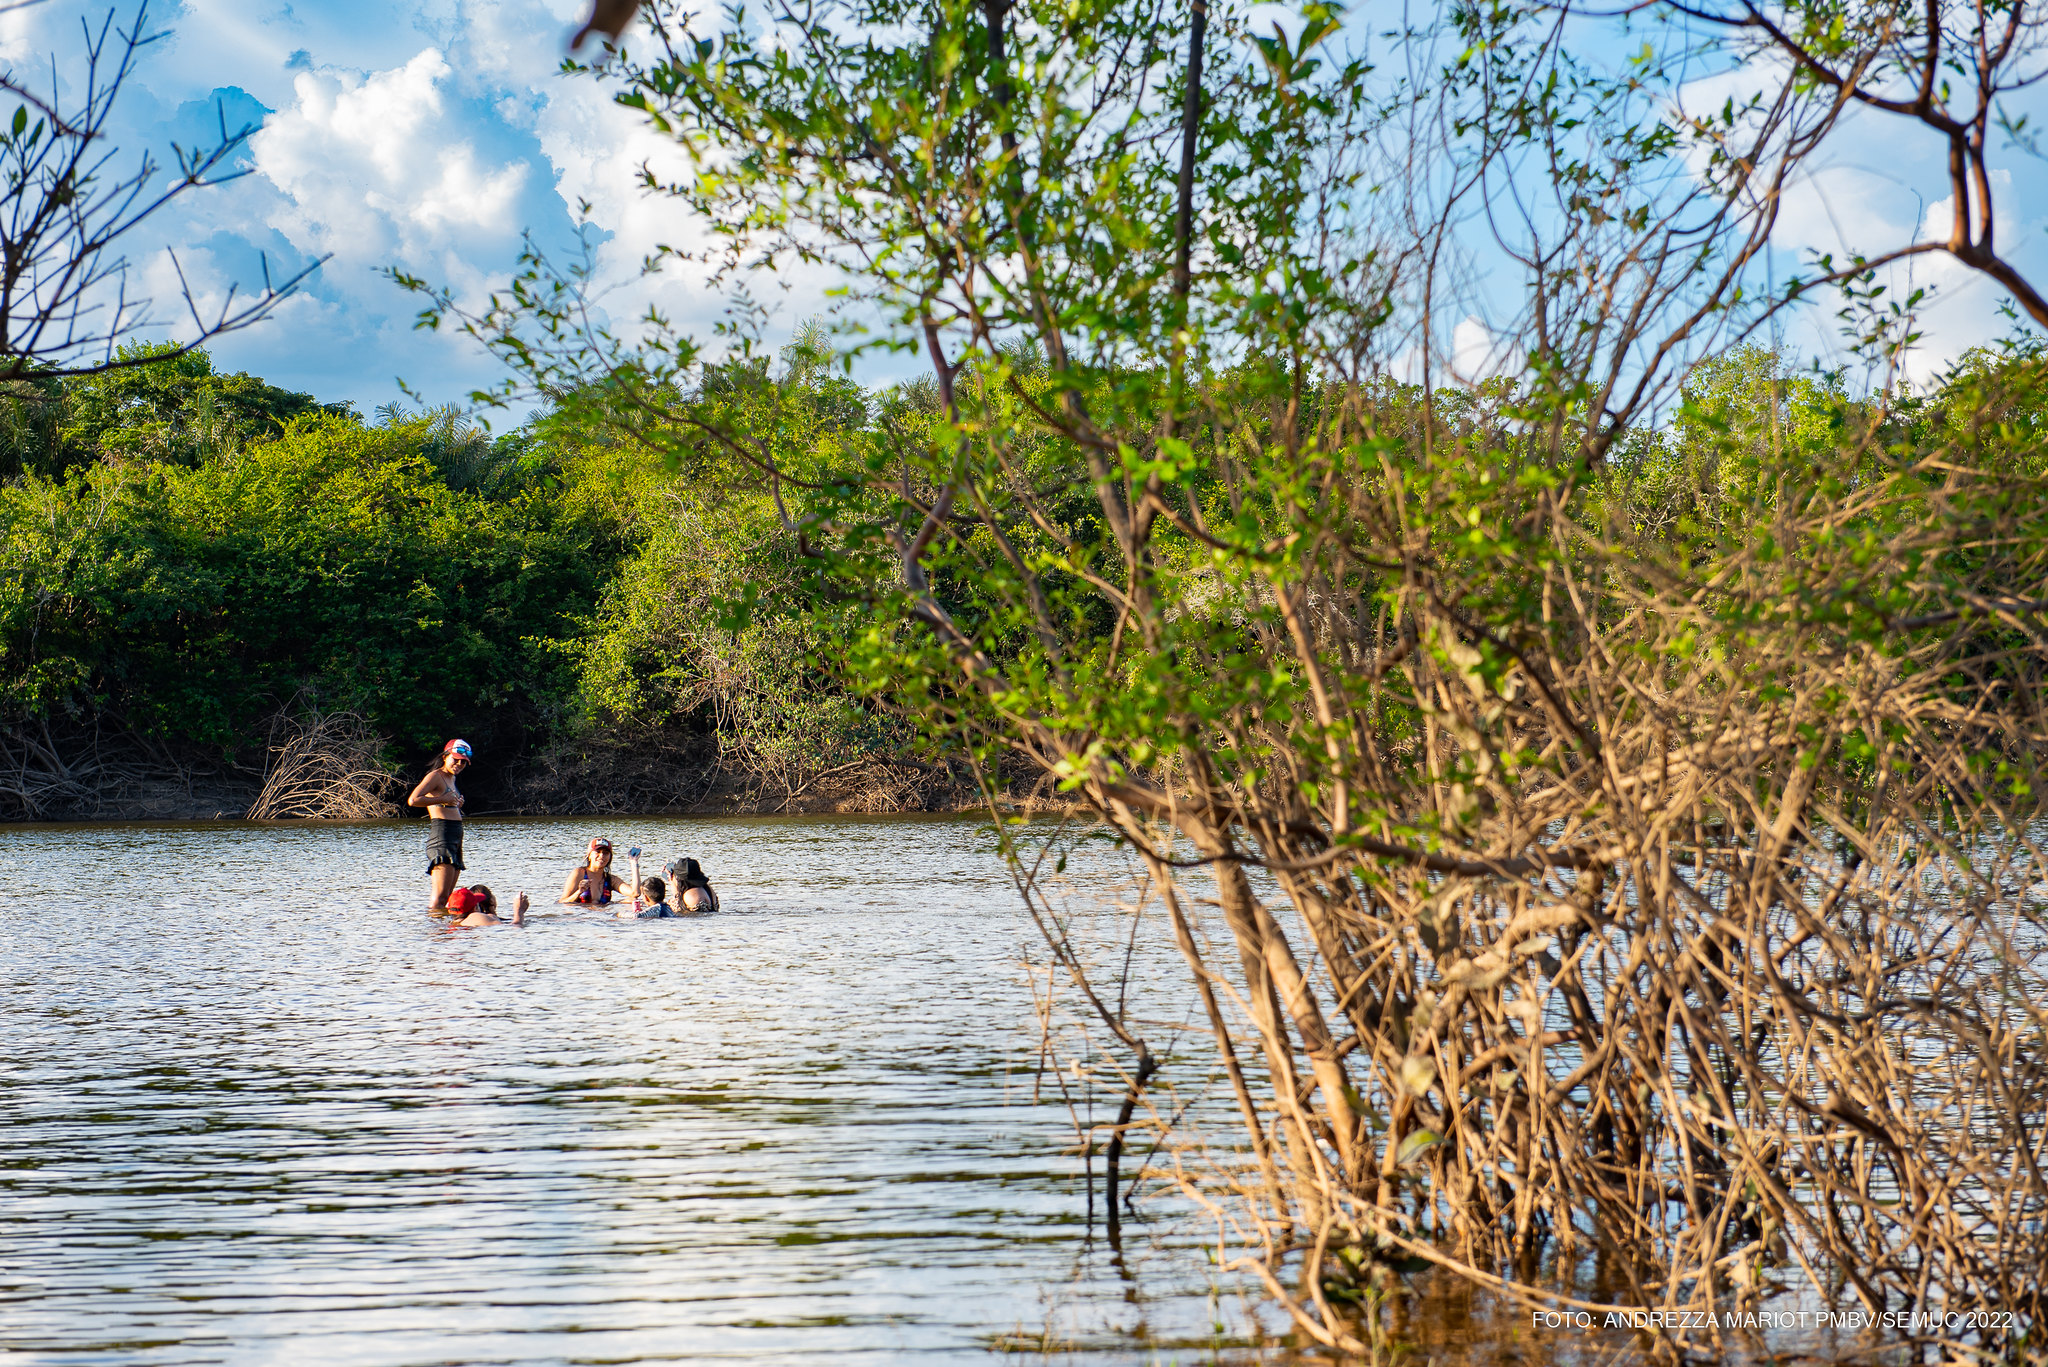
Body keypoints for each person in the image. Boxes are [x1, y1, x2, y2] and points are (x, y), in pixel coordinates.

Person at [408, 739, 472, 909]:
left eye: (463, 762)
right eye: (455, 759)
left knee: (450, 897)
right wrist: (442, 799)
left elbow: (446, 805)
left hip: (455, 837)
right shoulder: (435, 776)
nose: (458, 764)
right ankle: (435, 933)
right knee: (440, 897)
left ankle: (446, 933)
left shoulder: (451, 778)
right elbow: (413, 800)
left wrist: (457, 805)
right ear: (445, 756)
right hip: (441, 836)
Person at [559, 838, 628, 906]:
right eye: (598, 852)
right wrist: (579, 892)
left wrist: (634, 862)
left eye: (605, 853)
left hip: (602, 915)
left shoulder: (611, 879)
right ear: (589, 855)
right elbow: (562, 902)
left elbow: (635, 893)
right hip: (582, 915)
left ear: (610, 857)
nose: (601, 856)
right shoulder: (579, 873)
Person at [449, 888, 528, 928]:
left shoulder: (453, 923)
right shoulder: (475, 916)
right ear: (475, 908)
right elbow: (514, 928)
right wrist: (519, 911)